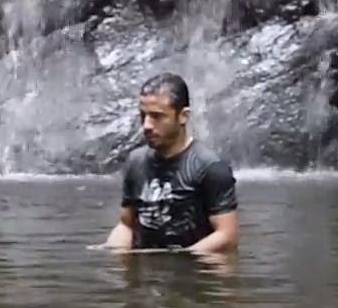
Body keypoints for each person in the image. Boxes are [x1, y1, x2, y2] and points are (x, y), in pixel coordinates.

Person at [101, 72, 239, 254]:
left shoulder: (210, 166)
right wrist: (115, 255)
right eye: (143, 116)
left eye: (157, 116)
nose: (147, 125)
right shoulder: (136, 161)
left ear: (183, 116)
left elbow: (227, 235)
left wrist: (180, 260)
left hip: (194, 271)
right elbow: (126, 224)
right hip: (147, 273)